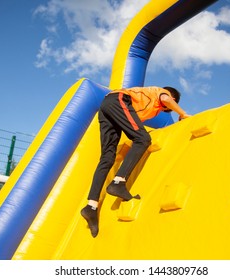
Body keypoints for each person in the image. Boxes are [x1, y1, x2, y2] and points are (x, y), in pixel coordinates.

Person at [81, 86, 191, 237]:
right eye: (172, 103)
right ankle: (118, 182)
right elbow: (165, 99)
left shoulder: (148, 107)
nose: (167, 108)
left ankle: (90, 206)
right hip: (118, 100)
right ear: (173, 98)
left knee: (107, 158)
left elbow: (130, 121)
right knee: (143, 139)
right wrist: (183, 114)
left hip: (107, 107)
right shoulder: (160, 93)